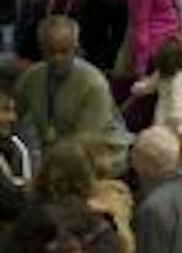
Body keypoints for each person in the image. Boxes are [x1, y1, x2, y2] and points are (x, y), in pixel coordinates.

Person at [15, 15, 120, 156]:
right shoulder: (31, 78)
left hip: (98, 154)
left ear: (75, 48)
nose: (57, 58)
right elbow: (16, 116)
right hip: (52, 152)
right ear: (41, 48)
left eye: (64, 51)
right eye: (51, 51)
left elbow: (86, 141)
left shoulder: (93, 84)